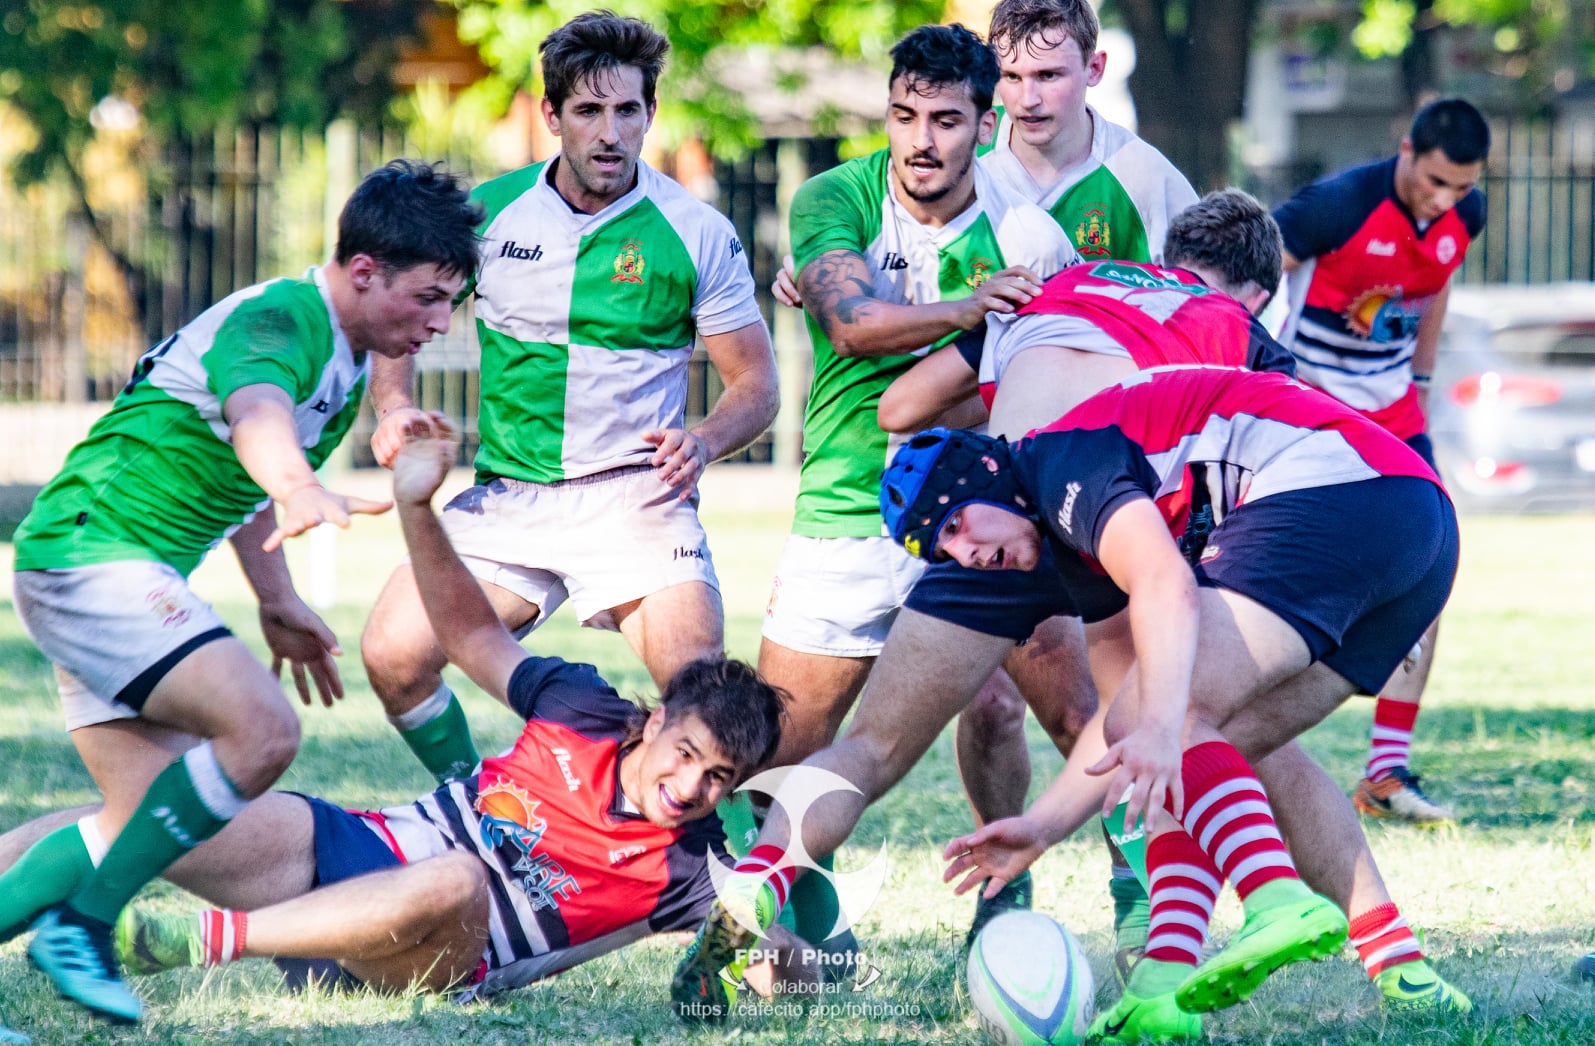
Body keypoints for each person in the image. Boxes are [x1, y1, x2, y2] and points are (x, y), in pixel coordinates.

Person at [0, 160, 482, 1028]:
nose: (441, 323)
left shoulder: (341, 353)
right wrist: (302, 488)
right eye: (430, 297)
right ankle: (81, 929)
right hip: (93, 557)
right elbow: (256, 412)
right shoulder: (282, 320)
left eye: (453, 302)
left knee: (151, 818)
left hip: (101, 567)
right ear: (365, 271)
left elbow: (239, 484)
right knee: (263, 732)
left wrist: (277, 598)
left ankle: (75, 917)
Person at [109, 421, 790, 1001]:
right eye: (690, 755)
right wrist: (416, 508)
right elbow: (470, 636)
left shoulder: (689, 872)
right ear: (655, 723)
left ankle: (204, 941)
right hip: (355, 851)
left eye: (719, 778)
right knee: (145, 814)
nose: (694, 786)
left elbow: (787, 974)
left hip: (430, 954)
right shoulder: (581, 707)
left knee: (458, 878)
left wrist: (768, 925)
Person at [897, 366, 1471, 1040]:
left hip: (1343, 492)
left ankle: (1275, 900)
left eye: (959, 523)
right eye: (946, 550)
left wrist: (1162, 724)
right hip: (1413, 529)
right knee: (1197, 754)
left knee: (1166, 726)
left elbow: (1164, 584)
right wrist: (1043, 826)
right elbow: (1125, 725)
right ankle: (1193, 979)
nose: (966, 554)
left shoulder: (1059, 463)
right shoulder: (1070, 550)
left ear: (990, 476)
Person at [359, 11, 779, 788]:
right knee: (391, 655)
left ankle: (731, 882)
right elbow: (395, 325)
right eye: (588, 111)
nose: (610, 132)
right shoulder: (486, 216)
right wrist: (391, 409)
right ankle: (476, 806)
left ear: (651, 113)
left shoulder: (697, 231)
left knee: (708, 714)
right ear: (551, 116)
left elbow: (755, 386)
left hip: (635, 502)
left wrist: (706, 440)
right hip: (509, 502)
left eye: (628, 110)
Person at [752, 21, 1076, 952]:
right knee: (786, 744)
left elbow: (1043, 379)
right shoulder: (834, 197)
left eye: (944, 119)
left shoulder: (1027, 235)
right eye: (903, 116)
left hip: (985, 515)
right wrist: (968, 310)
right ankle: (794, 922)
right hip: (848, 507)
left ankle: (1016, 906)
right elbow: (852, 325)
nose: (920, 140)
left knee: (1040, 709)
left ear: (986, 122)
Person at [1273, 97, 1490, 826]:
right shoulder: (1335, 205)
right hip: (1310, 412)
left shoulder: (1464, 213)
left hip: (1393, 416)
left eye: (1459, 188)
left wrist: (1420, 385)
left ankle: (1384, 774)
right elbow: (1247, 283)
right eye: (1432, 181)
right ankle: (1237, 747)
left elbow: (1436, 288)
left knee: (1430, 574)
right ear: (1405, 150)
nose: (1442, 200)